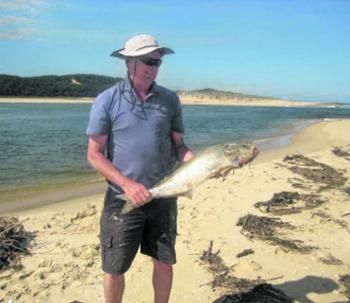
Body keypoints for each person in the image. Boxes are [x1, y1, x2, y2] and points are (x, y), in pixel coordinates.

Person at [86, 34, 194, 303]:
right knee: (114, 267)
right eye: (148, 60)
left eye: (158, 62)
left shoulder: (170, 100)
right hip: (122, 197)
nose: (153, 67)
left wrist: (194, 161)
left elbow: (179, 146)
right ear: (129, 62)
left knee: (164, 262)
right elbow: (94, 155)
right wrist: (128, 184)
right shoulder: (107, 100)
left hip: (164, 195)